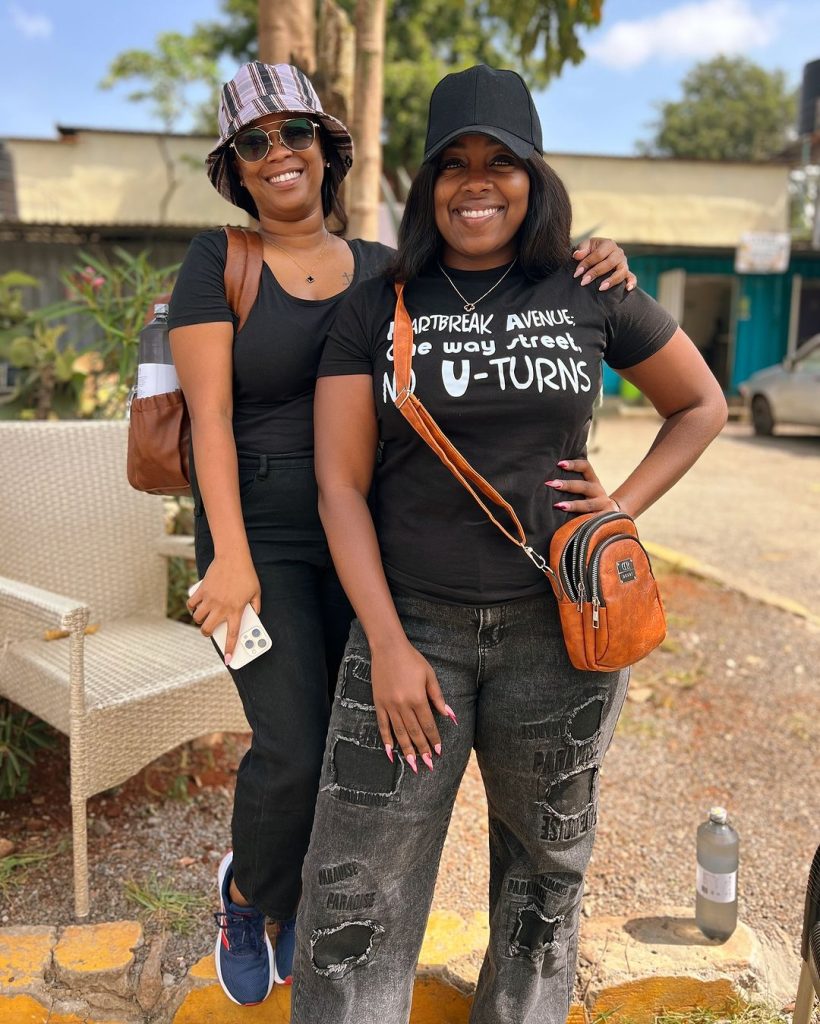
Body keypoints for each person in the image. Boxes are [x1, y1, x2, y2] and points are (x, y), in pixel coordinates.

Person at [168, 60, 637, 1008]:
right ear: (237, 170)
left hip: (371, 542)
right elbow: (207, 418)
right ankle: (252, 892)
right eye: (255, 144)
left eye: (295, 133)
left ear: (325, 150)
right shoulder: (219, 259)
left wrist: (602, 265)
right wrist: (228, 556)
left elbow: (502, 297)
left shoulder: (387, 269)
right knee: (294, 747)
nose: (279, 154)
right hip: (257, 537)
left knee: (361, 775)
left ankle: (307, 897)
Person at [293, 65, 727, 1024]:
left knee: (543, 881)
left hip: (560, 639)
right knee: (355, 887)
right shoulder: (382, 304)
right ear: (427, 183)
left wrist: (619, 510)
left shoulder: (585, 285)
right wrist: (391, 647)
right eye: (453, 163)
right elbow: (340, 485)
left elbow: (701, 405)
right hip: (412, 634)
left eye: (501, 161)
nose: (475, 182)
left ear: (534, 177)